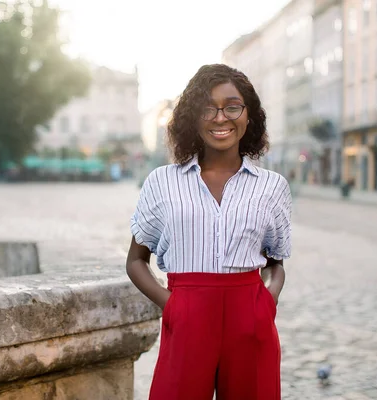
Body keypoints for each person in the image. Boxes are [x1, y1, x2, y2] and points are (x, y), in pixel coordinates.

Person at [126, 64, 292, 400]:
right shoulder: (162, 182)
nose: (220, 118)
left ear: (249, 116)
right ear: (192, 117)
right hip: (187, 314)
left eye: (232, 106)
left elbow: (276, 262)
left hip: (250, 317)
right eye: (207, 108)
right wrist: (172, 306)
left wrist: (266, 301)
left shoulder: (272, 187)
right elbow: (135, 261)